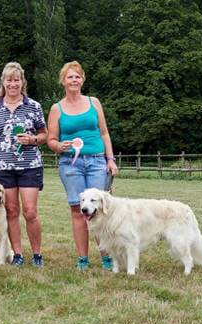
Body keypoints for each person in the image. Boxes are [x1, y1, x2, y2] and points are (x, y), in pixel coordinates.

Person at [46, 61, 118, 271]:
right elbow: (51, 140)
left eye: (77, 76)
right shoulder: (56, 109)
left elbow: (104, 133)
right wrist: (59, 146)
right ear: (63, 81)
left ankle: (106, 257)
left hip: (96, 161)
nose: (74, 80)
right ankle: (83, 259)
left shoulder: (94, 102)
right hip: (70, 164)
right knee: (78, 210)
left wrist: (110, 159)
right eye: (70, 77)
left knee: (99, 210)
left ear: (83, 79)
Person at [0, 62, 48, 267]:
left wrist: (33, 140)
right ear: (3, 82)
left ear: (22, 82)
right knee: (11, 211)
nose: (13, 84)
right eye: (9, 80)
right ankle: (17, 253)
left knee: (30, 211)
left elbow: (45, 135)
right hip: (3, 167)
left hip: (30, 165)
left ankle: (37, 254)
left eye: (16, 80)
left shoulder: (34, 106)